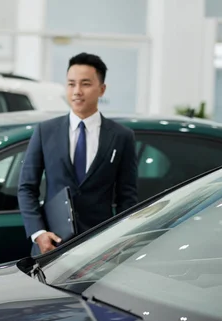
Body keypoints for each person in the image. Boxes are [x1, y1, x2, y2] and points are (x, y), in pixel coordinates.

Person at [18, 52, 138, 255]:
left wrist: (119, 238)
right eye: (71, 84)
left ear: (102, 89)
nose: (77, 91)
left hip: (101, 247)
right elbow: (26, 188)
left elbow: (127, 196)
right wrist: (39, 233)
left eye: (85, 84)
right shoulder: (45, 131)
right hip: (52, 245)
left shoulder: (121, 136)